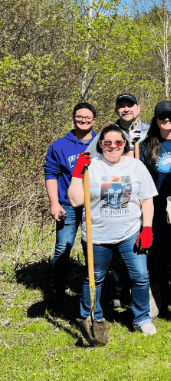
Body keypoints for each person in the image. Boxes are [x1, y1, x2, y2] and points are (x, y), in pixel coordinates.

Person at [67, 124, 158, 336]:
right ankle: (90, 316)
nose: (113, 146)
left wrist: (147, 229)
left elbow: (147, 201)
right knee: (94, 278)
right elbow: (75, 200)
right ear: (100, 144)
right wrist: (77, 172)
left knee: (141, 276)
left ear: (124, 143)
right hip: (97, 235)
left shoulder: (136, 166)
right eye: (107, 143)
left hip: (130, 232)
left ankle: (142, 318)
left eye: (118, 142)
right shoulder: (91, 166)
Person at [44, 102, 99, 307]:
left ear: (94, 120)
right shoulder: (59, 145)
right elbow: (51, 174)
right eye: (79, 117)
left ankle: (91, 291)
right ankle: (58, 292)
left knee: (93, 249)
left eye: (87, 118)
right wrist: (54, 203)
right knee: (62, 248)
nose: (83, 121)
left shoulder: (102, 142)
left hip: (94, 205)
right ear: (73, 118)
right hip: (67, 205)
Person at [139, 101, 171, 313]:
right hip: (159, 206)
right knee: (160, 254)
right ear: (156, 120)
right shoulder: (146, 146)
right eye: (162, 117)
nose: (166, 120)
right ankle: (157, 294)